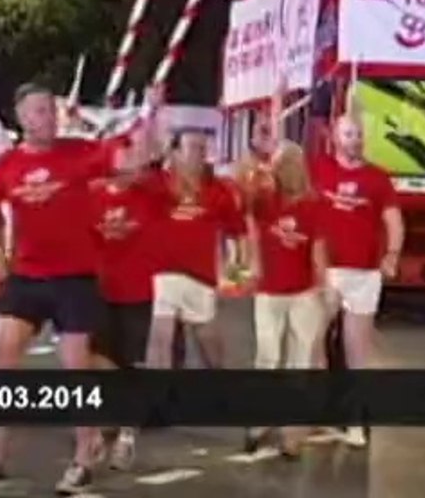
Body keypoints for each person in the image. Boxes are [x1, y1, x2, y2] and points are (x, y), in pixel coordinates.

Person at [0, 83, 149, 496]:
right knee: (0, 359)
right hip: (27, 276)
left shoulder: (80, 152)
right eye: (39, 110)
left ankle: (84, 457)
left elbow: (130, 160)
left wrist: (144, 119)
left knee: (75, 366)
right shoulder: (6, 165)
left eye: (50, 109)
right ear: (22, 117)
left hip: (74, 277)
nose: (48, 117)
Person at [309, 115, 405, 447]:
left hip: (364, 274)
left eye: (359, 134)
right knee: (312, 342)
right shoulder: (319, 169)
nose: (355, 139)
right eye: (348, 134)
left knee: (357, 351)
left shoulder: (377, 178)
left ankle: (355, 421)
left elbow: (394, 221)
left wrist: (392, 254)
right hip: (327, 272)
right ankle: (319, 408)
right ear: (335, 138)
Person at [243, 141, 328, 457]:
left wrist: (323, 290)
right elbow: (246, 208)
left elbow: (318, 250)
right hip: (269, 291)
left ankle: (291, 432)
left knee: (299, 361)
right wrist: (253, 262)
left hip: (302, 293)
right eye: (278, 166)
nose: (282, 172)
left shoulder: (314, 205)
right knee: (267, 356)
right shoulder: (265, 200)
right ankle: (260, 420)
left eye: (286, 166)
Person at [86, 138, 166, 470]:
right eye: (123, 160)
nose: (129, 167)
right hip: (100, 291)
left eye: (133, 160)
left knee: (132, 363)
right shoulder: (93, 196)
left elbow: (163, 167)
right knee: (96, 359)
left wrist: (149, 150)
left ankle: (127, 437)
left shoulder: (150, 195)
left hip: (136, 292)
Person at [145, 131, 246, 374]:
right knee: (160, 339)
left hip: (201, 277)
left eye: (203, 148)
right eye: (192, 147)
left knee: (209, 346)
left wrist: (238, 274)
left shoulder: (218, 189)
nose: (199, 154)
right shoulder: (158, 183)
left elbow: (237, 232)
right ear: (176, 152)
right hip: (164, 273)